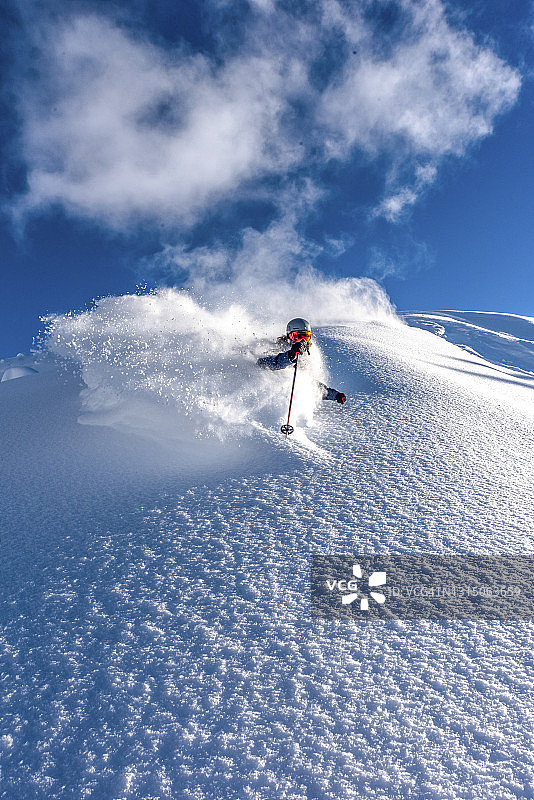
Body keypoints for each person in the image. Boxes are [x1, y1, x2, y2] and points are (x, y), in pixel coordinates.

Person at [257, 317, 347, 404]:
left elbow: (309, 383)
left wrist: (334, 395)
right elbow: (266, 363)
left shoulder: (306, 357)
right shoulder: (279, 347)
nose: (302, 341)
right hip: (273, 393)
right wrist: (290, 355)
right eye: (298, 336)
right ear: (289, 336)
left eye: (306, 337)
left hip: (294, 399)